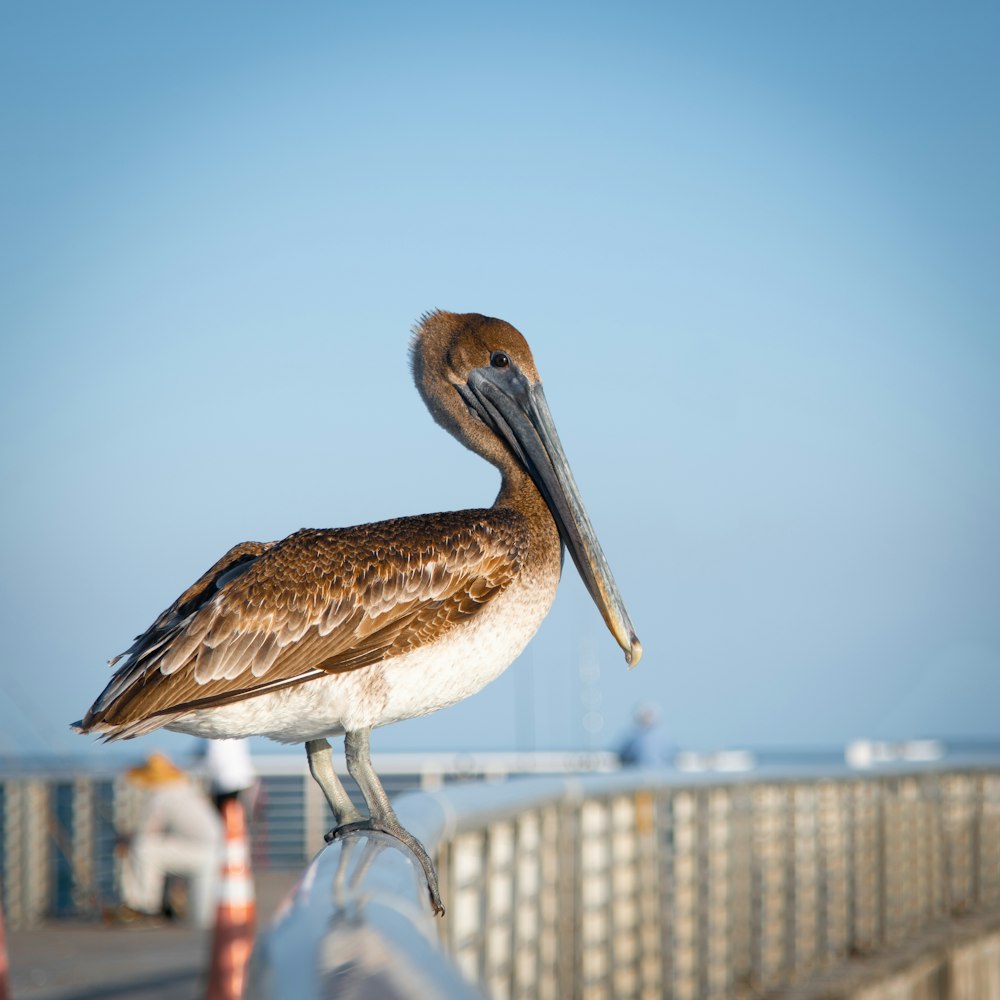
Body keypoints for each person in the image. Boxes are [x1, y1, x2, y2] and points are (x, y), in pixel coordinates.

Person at [116, 752, 223, 928]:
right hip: (214, 851)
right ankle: (160, 906)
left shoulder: (162, 795)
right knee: (159, 849)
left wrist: (125, 839)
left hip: (201, 853)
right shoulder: (184, 788)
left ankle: (144, 907)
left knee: (143, 849)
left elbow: (146, 833)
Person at [200, 737, 258, 812]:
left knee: (228, 814)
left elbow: (212, 758)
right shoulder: (238, 733)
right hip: (243, 779)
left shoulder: (212, 738)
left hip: (224, 782)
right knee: (240, 812)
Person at [618, 703, 676, 767]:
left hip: (658, 773)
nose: (646, 718)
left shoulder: (663, 737)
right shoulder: (633, 737)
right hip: (639, 772)